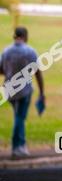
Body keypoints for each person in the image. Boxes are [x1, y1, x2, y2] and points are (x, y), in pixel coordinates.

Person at [0, 27, 45, 158]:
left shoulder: (6, 51)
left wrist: (10, 71)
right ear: (25, 36)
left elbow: (1, 69)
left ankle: (22, 144)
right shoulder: (30, 51)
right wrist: (42, 92)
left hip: (9, 90)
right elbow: (38, 73)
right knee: (20, 117)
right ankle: (17, 147)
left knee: (18, 116)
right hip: (24, 90)